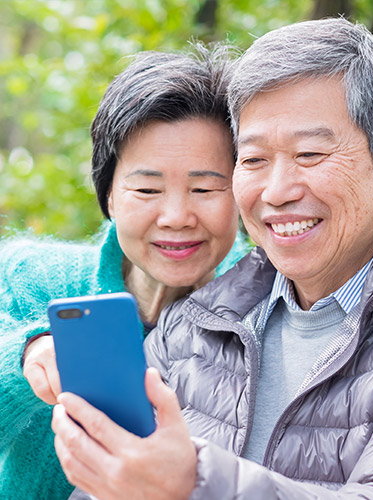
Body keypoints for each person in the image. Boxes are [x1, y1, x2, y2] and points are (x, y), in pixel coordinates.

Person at [52, 17, 373, 500]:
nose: (278, 191)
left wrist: (192, 482)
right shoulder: (193, 326)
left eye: (309, 154)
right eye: (254, 160)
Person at [0, 43, 251, 500]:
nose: (176, 216)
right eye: (147, 188)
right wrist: (26, 357)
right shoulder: (33, 279)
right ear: (110, 196)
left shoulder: (266, 314)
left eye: (204, 187)